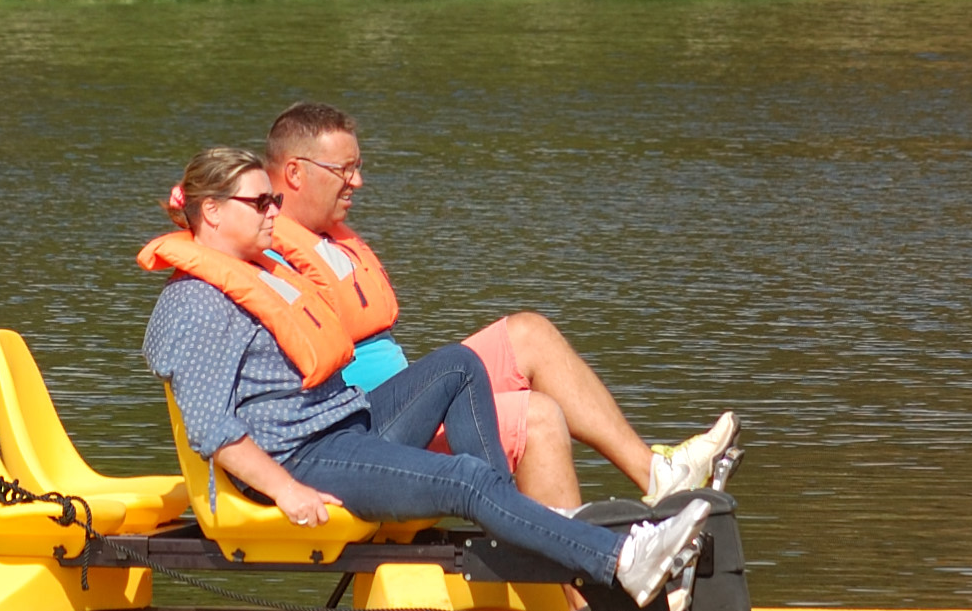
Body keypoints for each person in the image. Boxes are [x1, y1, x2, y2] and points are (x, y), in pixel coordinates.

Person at [141, 146, 718, 611]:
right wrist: (287, 491)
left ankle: (512, 532)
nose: (275, 211)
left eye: (274, 198)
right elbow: (212, 428)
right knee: (465, 479)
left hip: (345, 426)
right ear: (211, 211)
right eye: (260, 201)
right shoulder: (194, 304)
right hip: (299, 458)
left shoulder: (257, 275)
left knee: (457, 366)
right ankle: (622, 559)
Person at [260, 102, 736, 508]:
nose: (357, 181)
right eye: (343, 170)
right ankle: (584, 604)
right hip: (367, 436)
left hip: (411, 404)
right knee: (538, 416)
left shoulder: (323, 240)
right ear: (296, 172)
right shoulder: (263, 255)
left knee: (530, 331)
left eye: (358, 166)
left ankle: (656, 473)